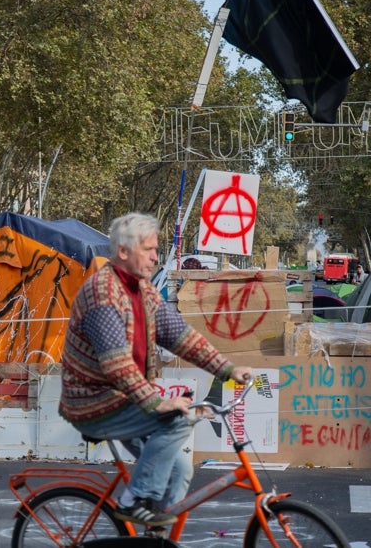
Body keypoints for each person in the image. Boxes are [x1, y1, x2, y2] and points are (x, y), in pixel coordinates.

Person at [59, 212, 252, 527]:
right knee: (177, 419)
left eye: (155, 249)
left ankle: (153, 534)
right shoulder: (103, 293)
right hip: (95, 402)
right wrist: (157, 403)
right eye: (148, 249)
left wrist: (226, 368)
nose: (155, 256)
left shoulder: (142, 289)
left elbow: (180, 336)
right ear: (123, 252)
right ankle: (132, 500)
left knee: (179, 469)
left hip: (123, 399)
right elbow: (116, 363)